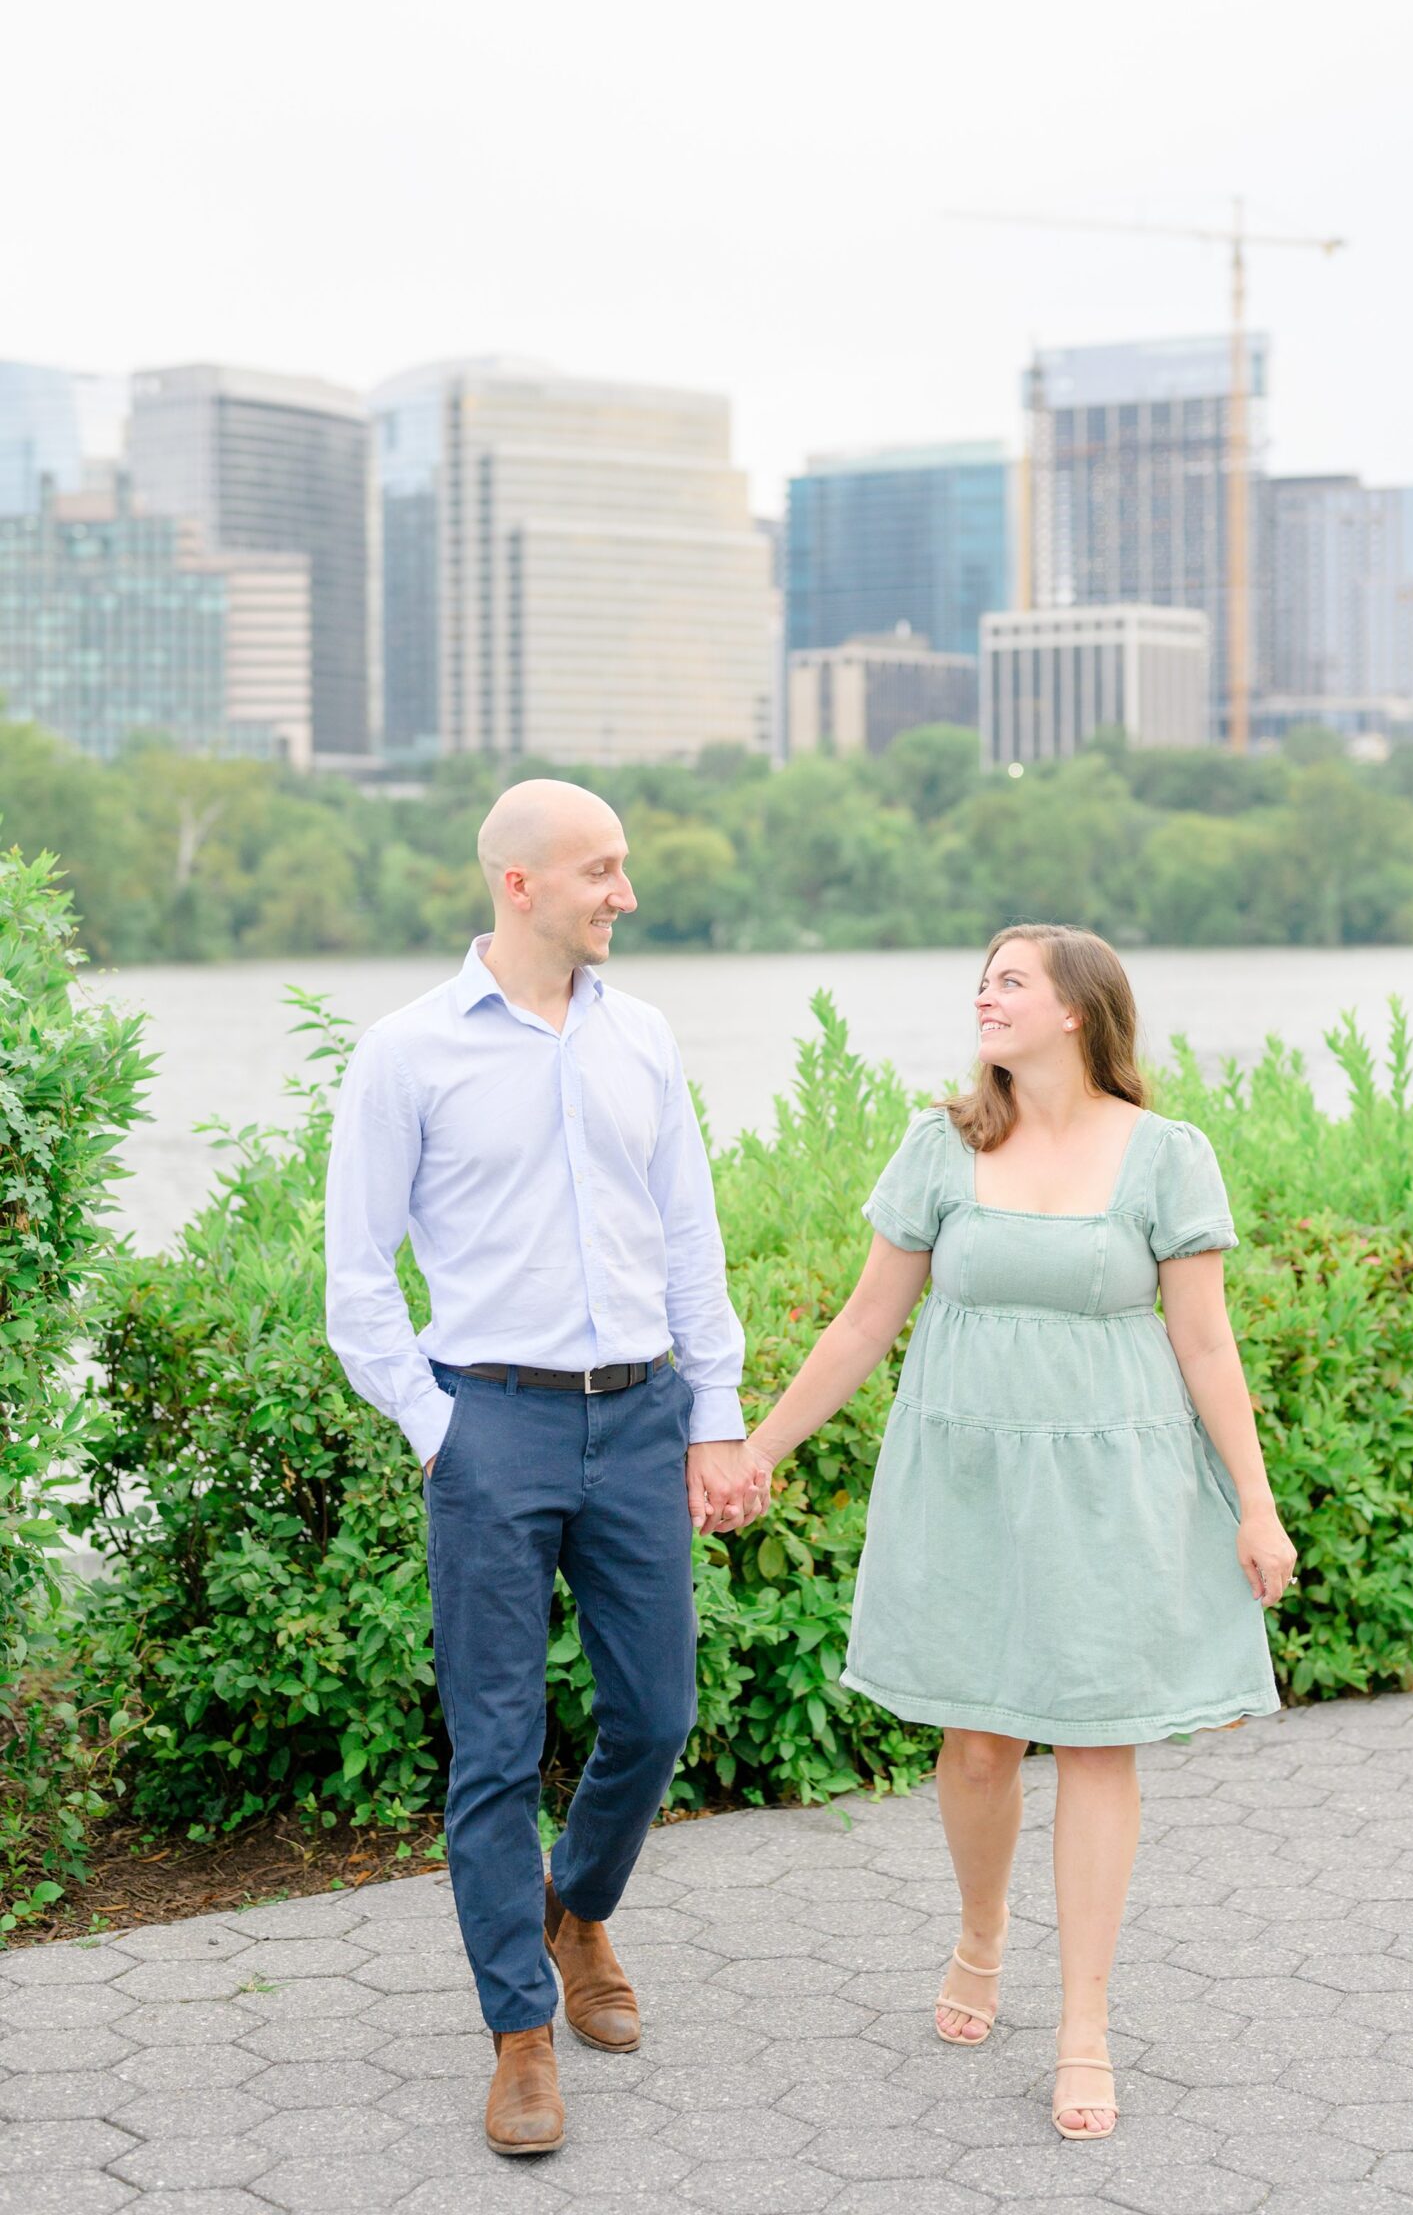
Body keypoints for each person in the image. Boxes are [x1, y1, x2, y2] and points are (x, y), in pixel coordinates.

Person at [741, 923, 1295, 2142]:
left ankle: (1082, 2026)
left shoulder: (1165, 1155)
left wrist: (1254, 1503)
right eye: (979, 980)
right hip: (966, 1474)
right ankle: (980, 1937)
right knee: (980, 1745)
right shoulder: (943, 1141)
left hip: (1115, 1480)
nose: (982, 997)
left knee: (1098, 1743)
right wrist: (758, 1447)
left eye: (1009, 982)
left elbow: (1205, 1343)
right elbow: (858, 1324)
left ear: (1076, 1012)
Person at [323, 779, 767, 2156]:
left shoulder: (640, 1036)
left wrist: (716, 1413)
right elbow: (355, 1277)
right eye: (599, 871)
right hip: (490, 1425)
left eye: (620, 868)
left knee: (656, 1715)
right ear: (519, 884)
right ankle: (520, 2031)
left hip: (638, 1418)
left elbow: (684, 1235)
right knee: (495, 1750)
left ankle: (576, 1908)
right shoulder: (407, 1053)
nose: (621, 894)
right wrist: (437, 1425)